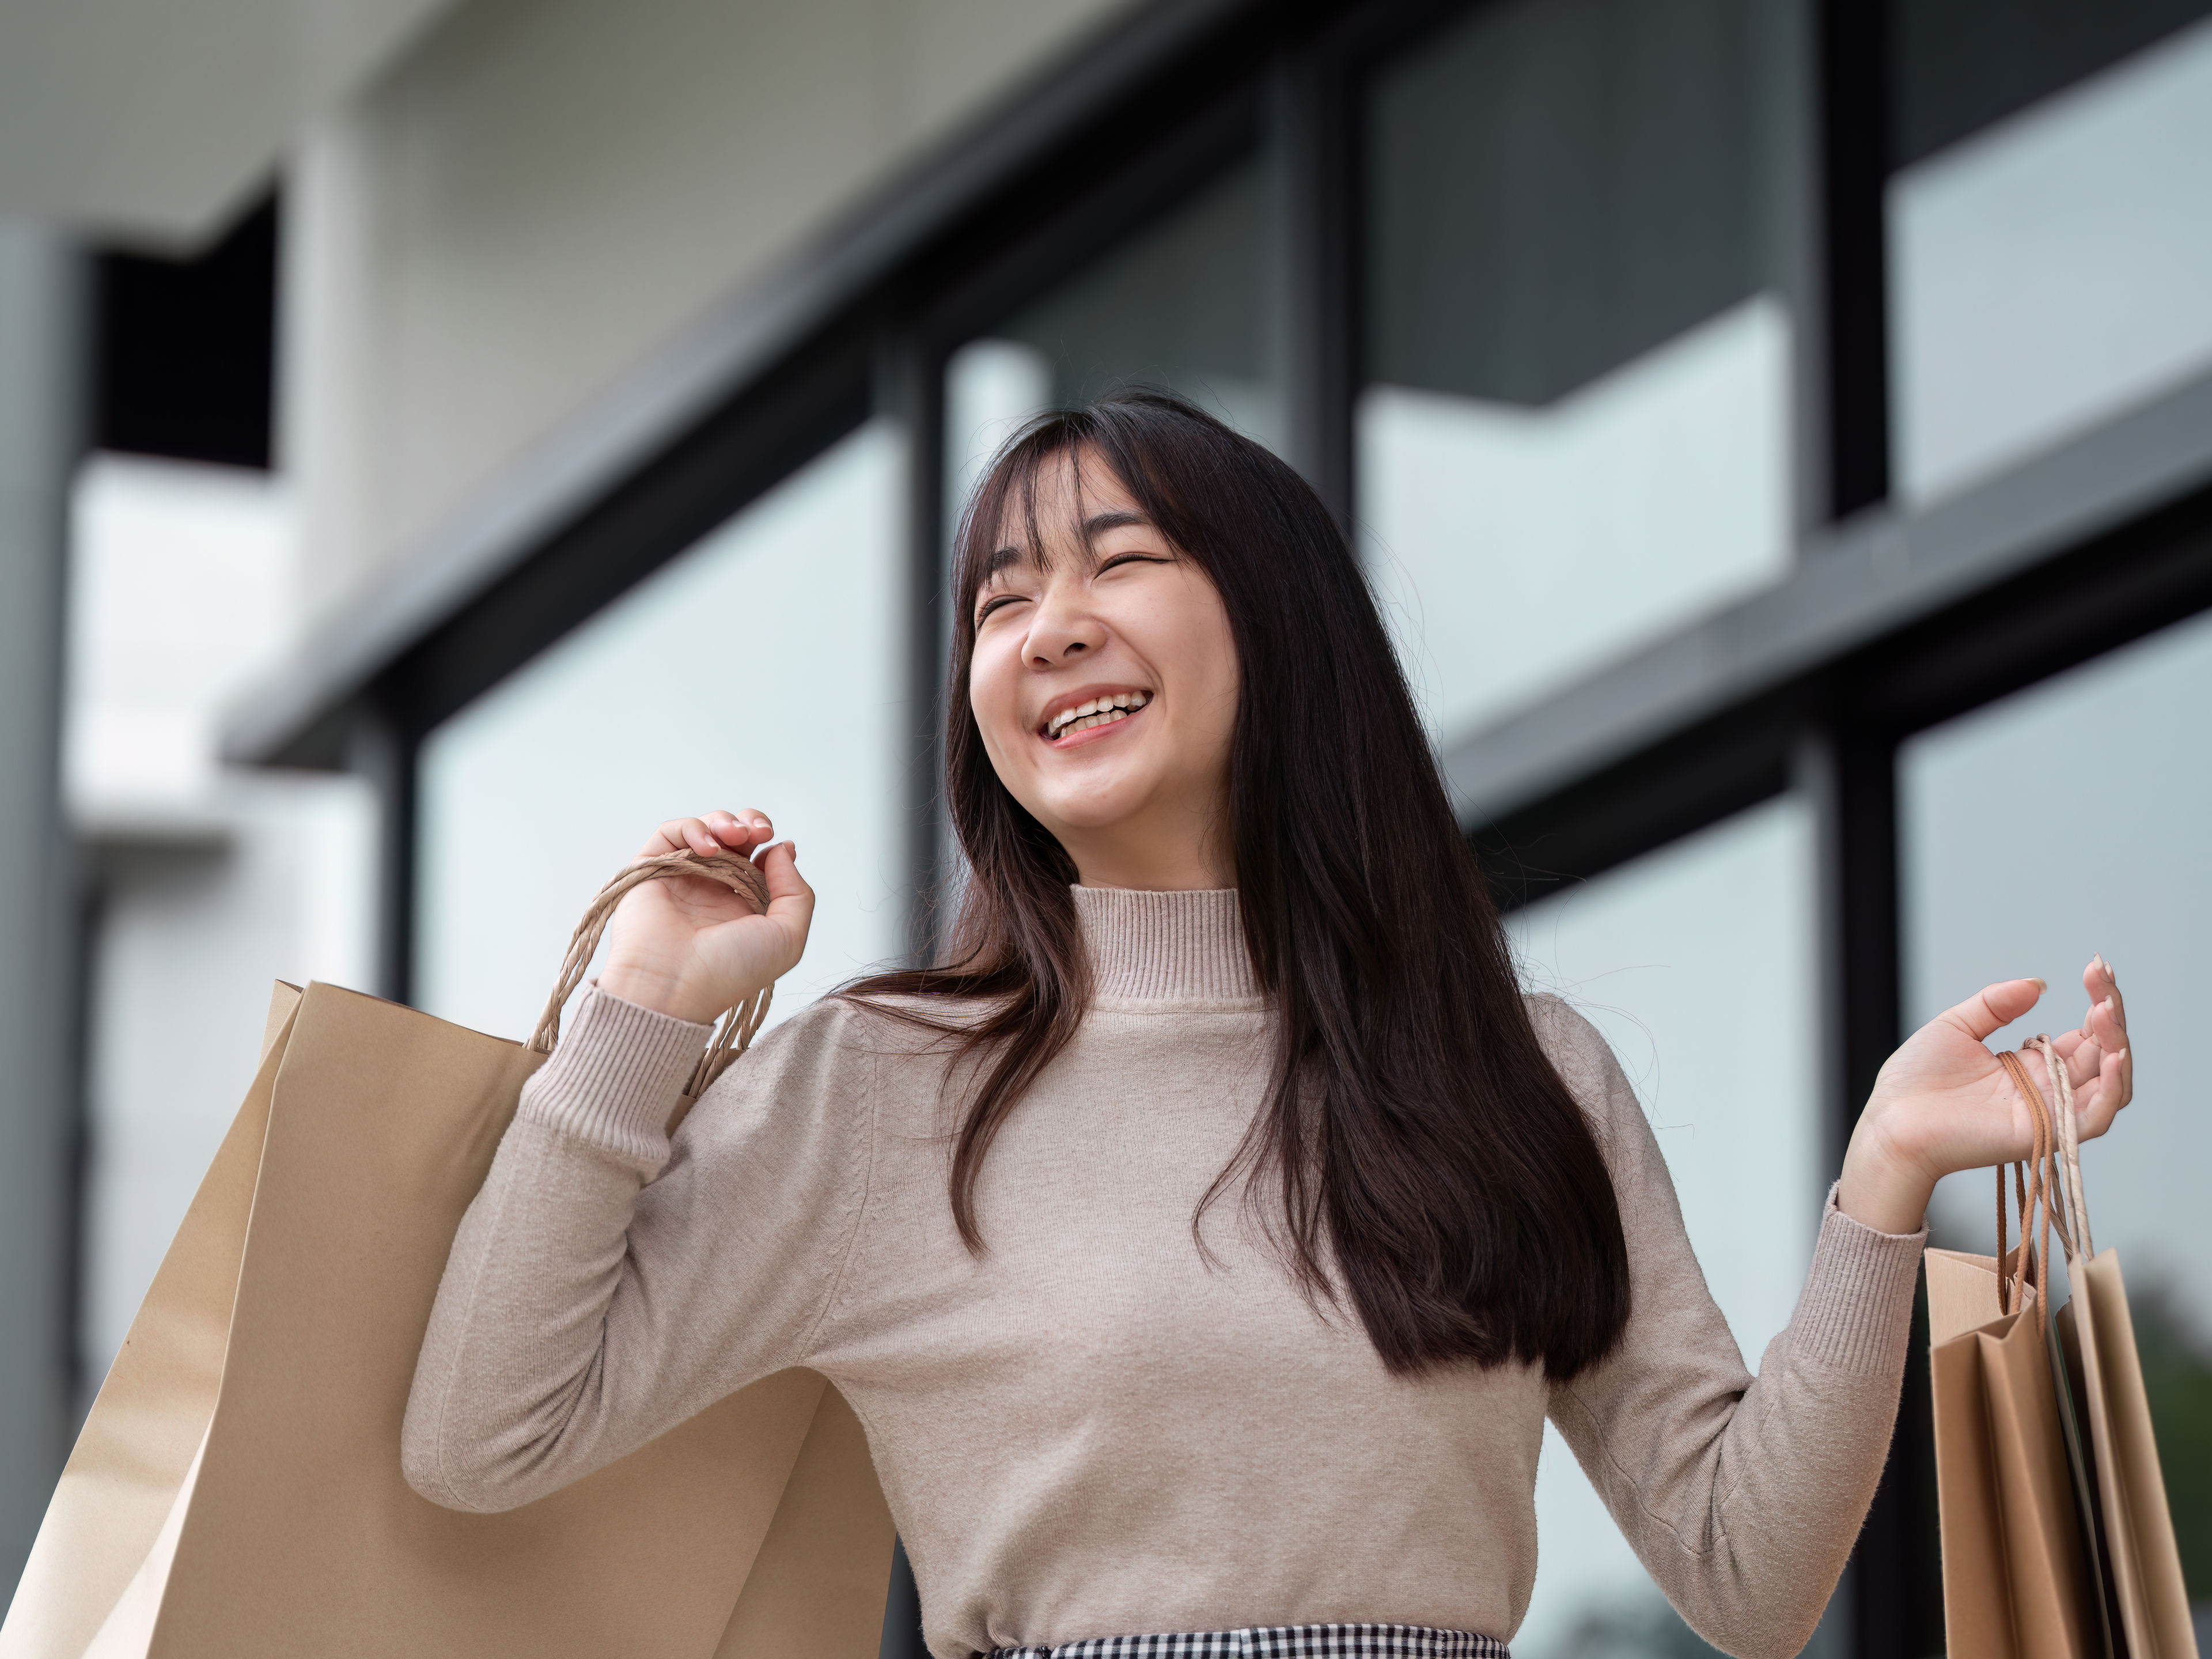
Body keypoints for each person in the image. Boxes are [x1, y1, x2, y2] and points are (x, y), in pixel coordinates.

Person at [402, 390, 2134, 1659]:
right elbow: (485, 1436)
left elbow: (1752, 1582)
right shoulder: (885, 1084)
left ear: (1280, 625)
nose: (1045, 626)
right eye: (999, 602)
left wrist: (1885, 1185)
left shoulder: (1521, 1078)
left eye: (1119, 562)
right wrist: (637, 1008)